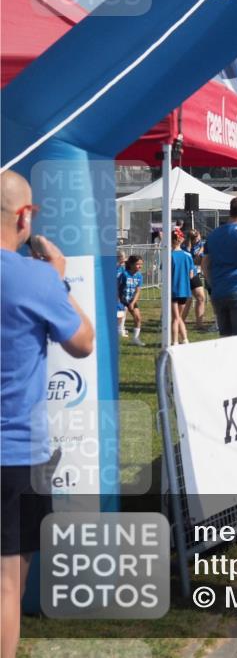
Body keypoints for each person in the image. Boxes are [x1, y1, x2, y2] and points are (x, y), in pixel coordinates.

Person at [1, 171, 94, 658]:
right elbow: (83, 342)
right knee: (7, 585)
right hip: (17, 453)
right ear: (23, 217)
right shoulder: (36, 277)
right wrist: (57, 281)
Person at [202, 196, 237, 337]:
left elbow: (204, 263)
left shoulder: (214, 234)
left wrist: (211, 282)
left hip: (219, 290)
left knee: (225, 337)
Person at [170, 228, 194, 345]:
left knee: (175, 318)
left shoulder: (169, 255)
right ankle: (185, 340)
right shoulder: (188, 255)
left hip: (173, 290)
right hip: (185, 290)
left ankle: (174, 342)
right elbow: (191, 274)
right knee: (179, 317)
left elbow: (164, 273)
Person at [181, 229, 207, 330]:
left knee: (201, 297)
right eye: (195, 237)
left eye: (198, 235)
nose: (198, 238)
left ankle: (199, 324)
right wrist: (198, 257)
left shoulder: (202, 244)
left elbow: (200, 258)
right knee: (188, 300)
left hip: (195, 273)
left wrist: (200, 254)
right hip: (185, 274)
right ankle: (180, 322)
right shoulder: (184, 247)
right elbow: (193, 260)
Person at [117, 255, 144, 345]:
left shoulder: (139, 276)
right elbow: (117, 287)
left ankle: (135, 339)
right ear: (131, 264)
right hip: (121, 300)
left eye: (141, 264)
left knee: (138, 318)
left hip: (131, 300)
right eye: (138, 264)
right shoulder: (124, 274)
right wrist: (118, 300)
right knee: (119, 319)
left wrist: (133, 302)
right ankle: (117, 333)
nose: (140, 266)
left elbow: (138, 291)